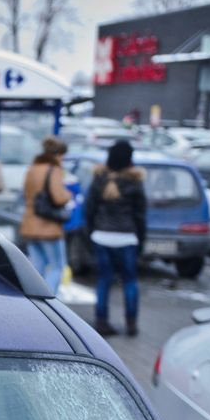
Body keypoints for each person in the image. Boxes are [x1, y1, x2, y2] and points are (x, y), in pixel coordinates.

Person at [84, 140, 147, 337]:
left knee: (103, 280)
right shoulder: (135, 183)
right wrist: (141, 241)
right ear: (129, 159)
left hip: (101, 237)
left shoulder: (98, 180)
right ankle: (131, 324)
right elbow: (140, 215)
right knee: (129, 281)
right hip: (127, 238)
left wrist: (92, 233)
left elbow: (89, 211)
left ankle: (101, 322)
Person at [19, 137, 73, 293]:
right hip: (47, 226)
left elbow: (26, 194)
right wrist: (68, 194)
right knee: (57, 266)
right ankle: (49, 302)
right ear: (57, 155)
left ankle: (36, 301)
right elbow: (58, 197)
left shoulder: (32, 168)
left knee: (38, 267)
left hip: (30, 224)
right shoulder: (54, 170)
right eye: (62, 156)